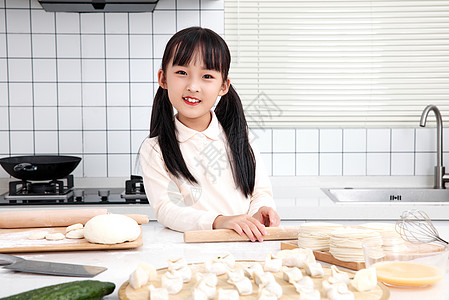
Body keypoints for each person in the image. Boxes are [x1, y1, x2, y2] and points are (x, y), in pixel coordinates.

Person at [139, 26, 280, 242]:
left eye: (207, 76)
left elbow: (259, 191)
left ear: (223, 86)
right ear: (163, 78)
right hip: (188, 254)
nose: (193, 86)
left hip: (245, 249)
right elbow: (166, 211)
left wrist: (261, 210)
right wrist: (219, 221)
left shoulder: (238, 137)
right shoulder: (155, 150)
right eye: (182, 73)